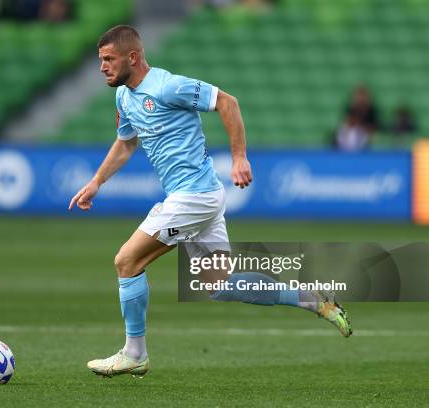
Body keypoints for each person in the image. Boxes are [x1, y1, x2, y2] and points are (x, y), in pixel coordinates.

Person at [68, 25, 352, 378]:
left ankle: (134, 352)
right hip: (195, 196)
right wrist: (97, 181)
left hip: (194, 196)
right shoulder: (124, 98)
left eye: (109, 59)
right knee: (221, 287)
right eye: (100, 60)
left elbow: (226, 102)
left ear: (133, 57)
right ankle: (312, 300)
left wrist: (239, 157)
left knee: (126, 261)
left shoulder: (168, 86)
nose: (102, 67)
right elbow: (126, 143)